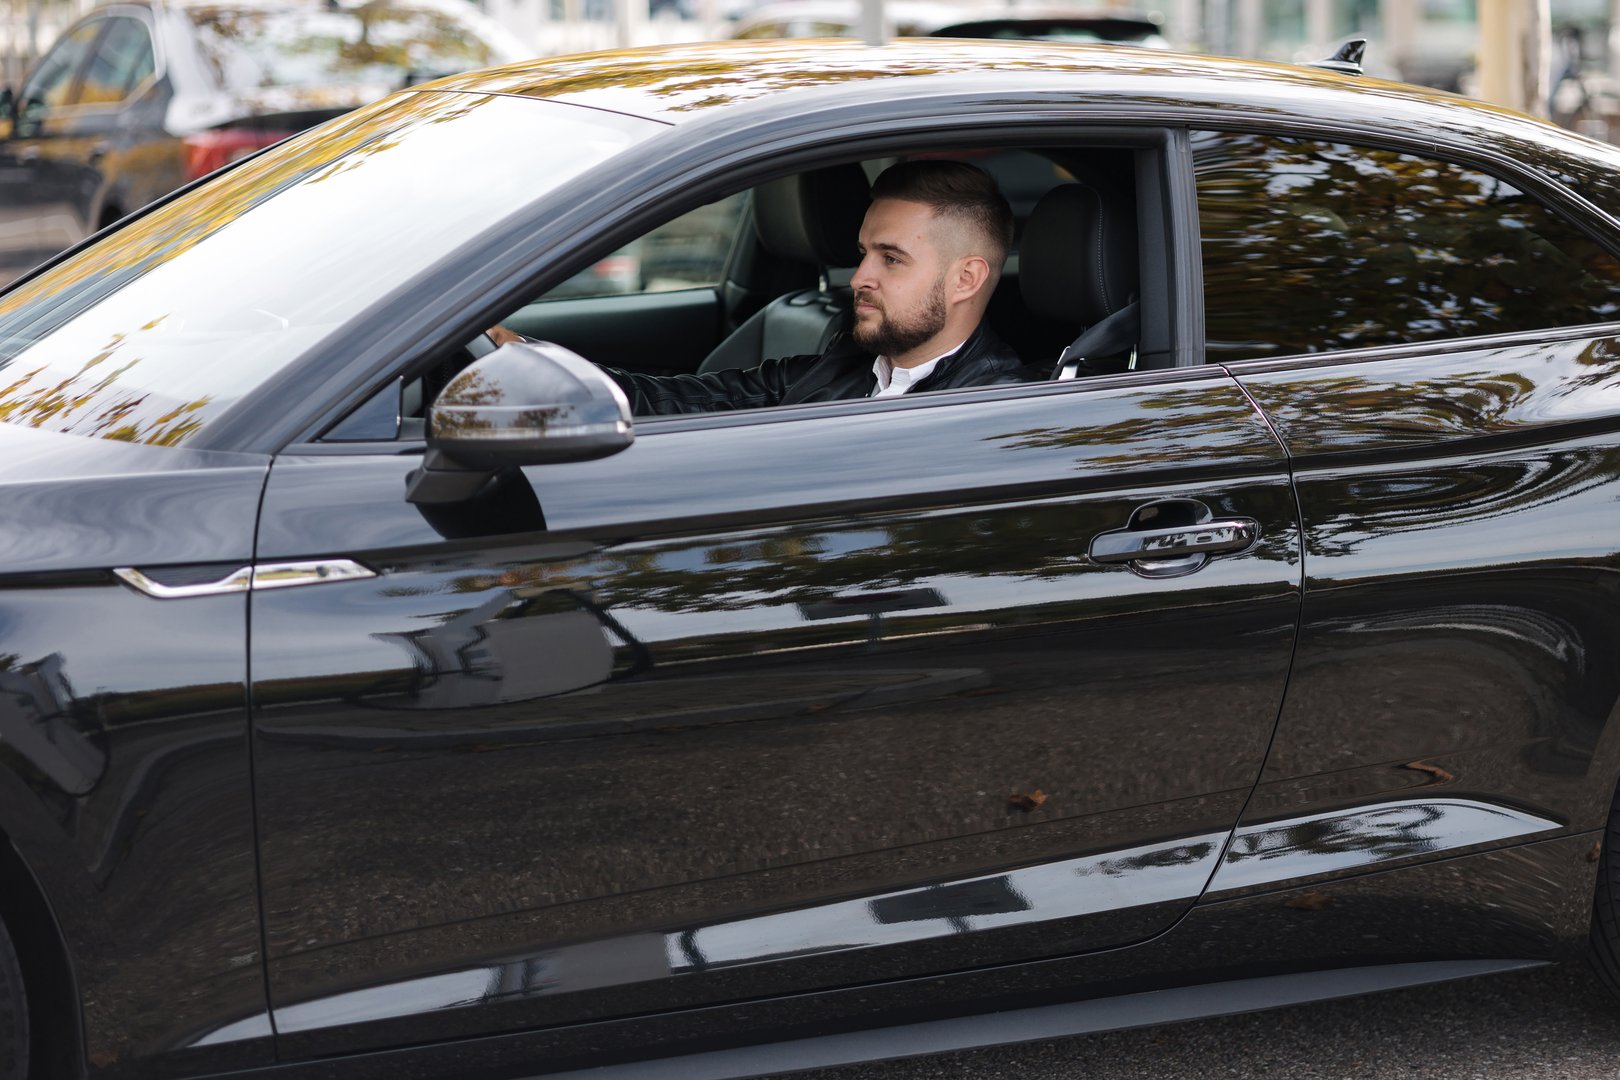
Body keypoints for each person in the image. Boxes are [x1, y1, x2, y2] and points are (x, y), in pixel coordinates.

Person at [594, 159, 1025, 415]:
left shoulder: (989, 412)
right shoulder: (845, 364)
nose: (859, 278)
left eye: (891, 259)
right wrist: (539, 364)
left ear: (965, 279)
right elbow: (682, 401)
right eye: (864, 254)